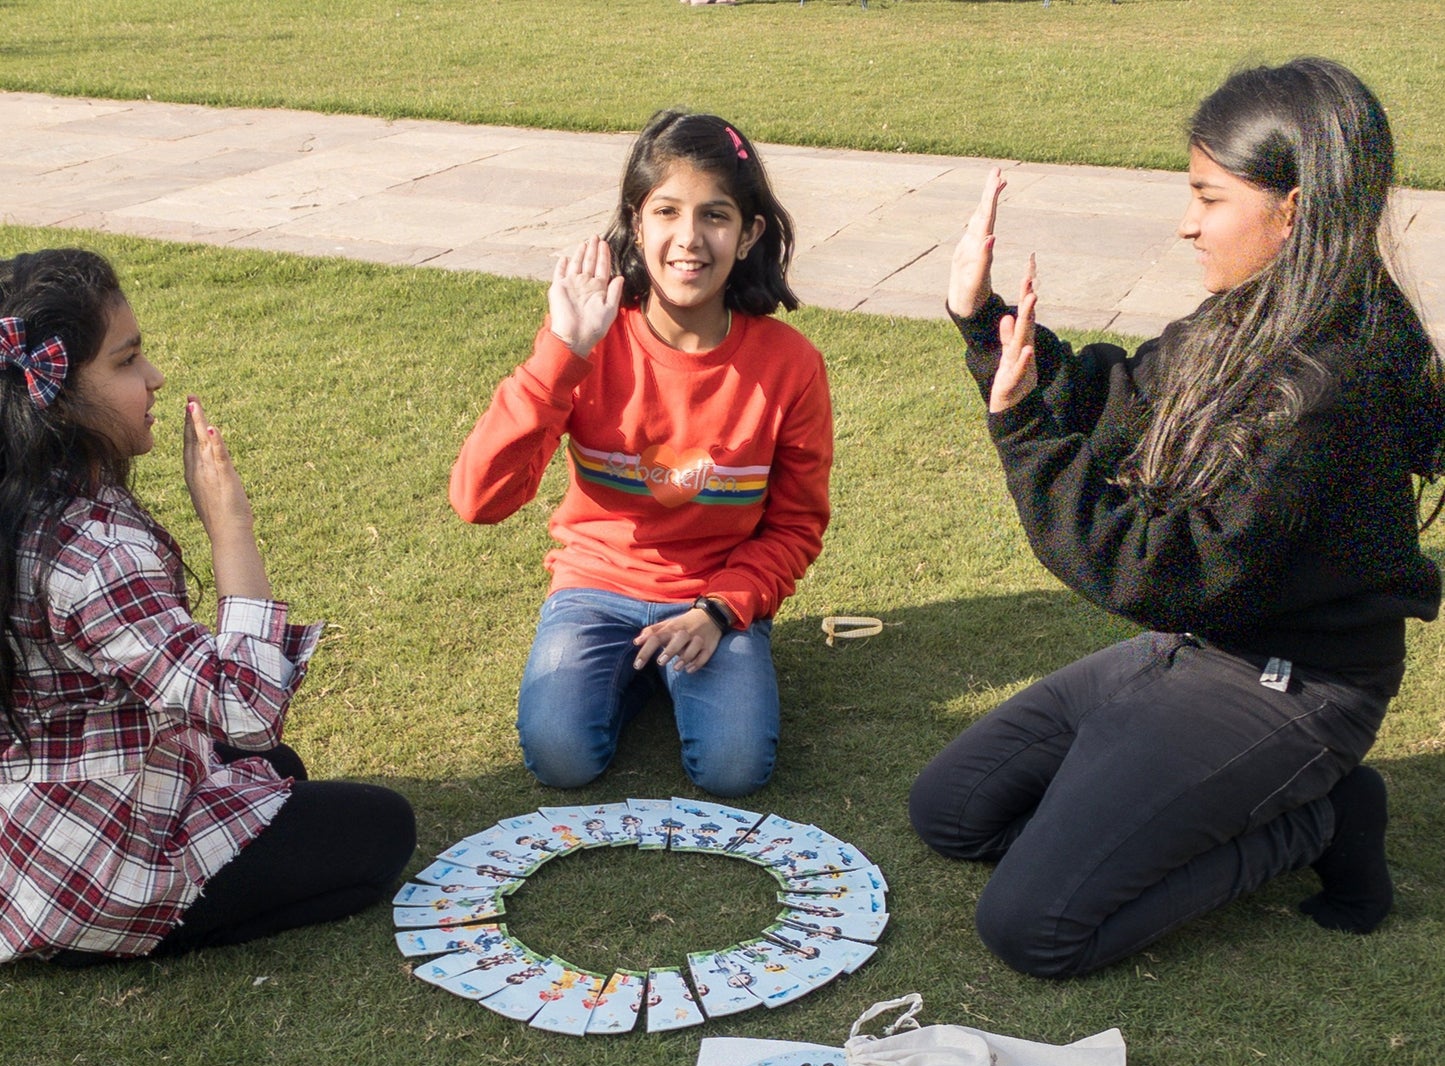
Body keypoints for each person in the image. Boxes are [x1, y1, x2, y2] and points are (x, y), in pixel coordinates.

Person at [909, 58, 1444, 979]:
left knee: (1032, 926)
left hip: (1296, 685)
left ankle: (1320, 816)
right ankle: (1164, 789)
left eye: (1207, 195)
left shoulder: (1328, 386)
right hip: (1207, 642)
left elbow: (1163, 570)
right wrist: (980, 317)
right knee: (952, 811)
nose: (1185, 220)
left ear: (1292, 206)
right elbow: (1122, 398)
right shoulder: (1256, 315)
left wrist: (1024, 436)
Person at [0, 248, 415, 963]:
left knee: (280, 766)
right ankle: (135, 925)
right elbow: (248, 711)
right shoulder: (94, 556)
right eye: (128, 361)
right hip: (90, 867)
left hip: (39, 810)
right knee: (381, 831)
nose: (155, 377)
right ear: (58, 395)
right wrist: (231, 529)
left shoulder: (30, 501)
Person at [450, 109, 832, 798]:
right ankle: (636, 674)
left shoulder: (790, 365)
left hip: (713, 596)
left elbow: (795, 527)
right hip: (594, 591)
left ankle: (678, 663)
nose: (689, 239)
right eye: (667, 211)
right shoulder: (590, 343)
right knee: (561, 757)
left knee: (733, 769)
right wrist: (560, 354)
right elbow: (478, 499)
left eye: (715, 216)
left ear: (748, 234)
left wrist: (721, 610)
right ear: (636, 222)